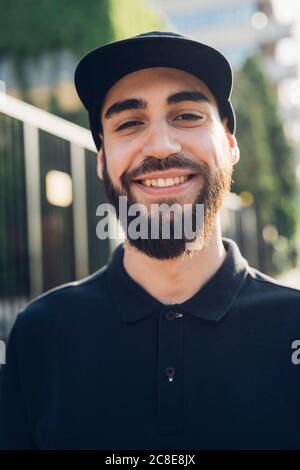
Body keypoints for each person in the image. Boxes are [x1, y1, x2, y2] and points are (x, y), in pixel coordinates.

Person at [0, 31, 300, 451]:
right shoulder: (39, 336)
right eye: (128, 123)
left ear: (230, 144)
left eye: (187, 116)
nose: (160, 145)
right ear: (103, 161)